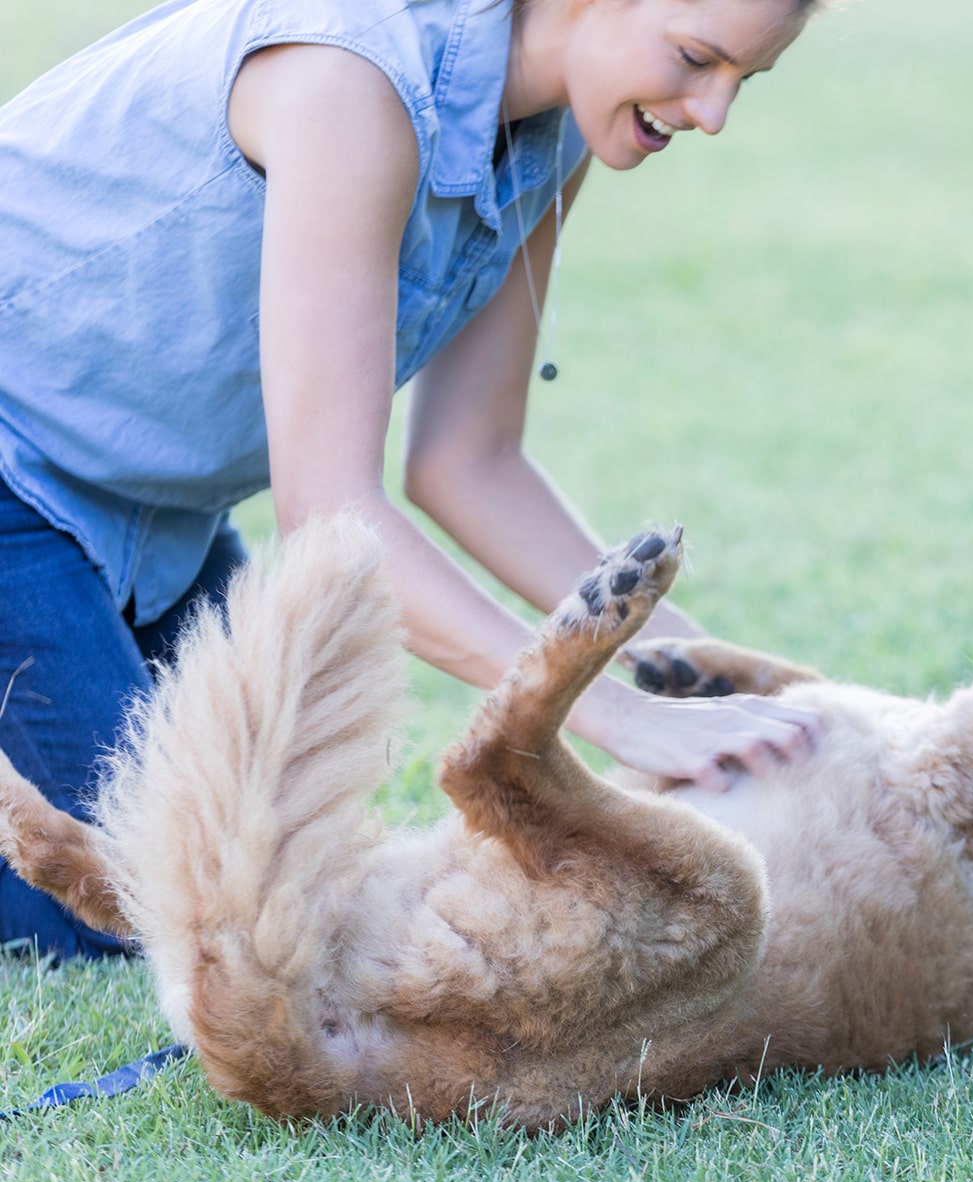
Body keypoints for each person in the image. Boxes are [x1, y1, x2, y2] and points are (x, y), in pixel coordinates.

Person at [0, 0, 824, 960]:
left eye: (743, 80)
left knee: (285, 870)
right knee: (160, 908)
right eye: (695, 58)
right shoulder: (349, 79)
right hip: (14, 475)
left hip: (153, 518)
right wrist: (609, 712)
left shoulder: (553, 136)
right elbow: (329, 516)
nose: (714, 112)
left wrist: (699, 674)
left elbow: (469, 463)